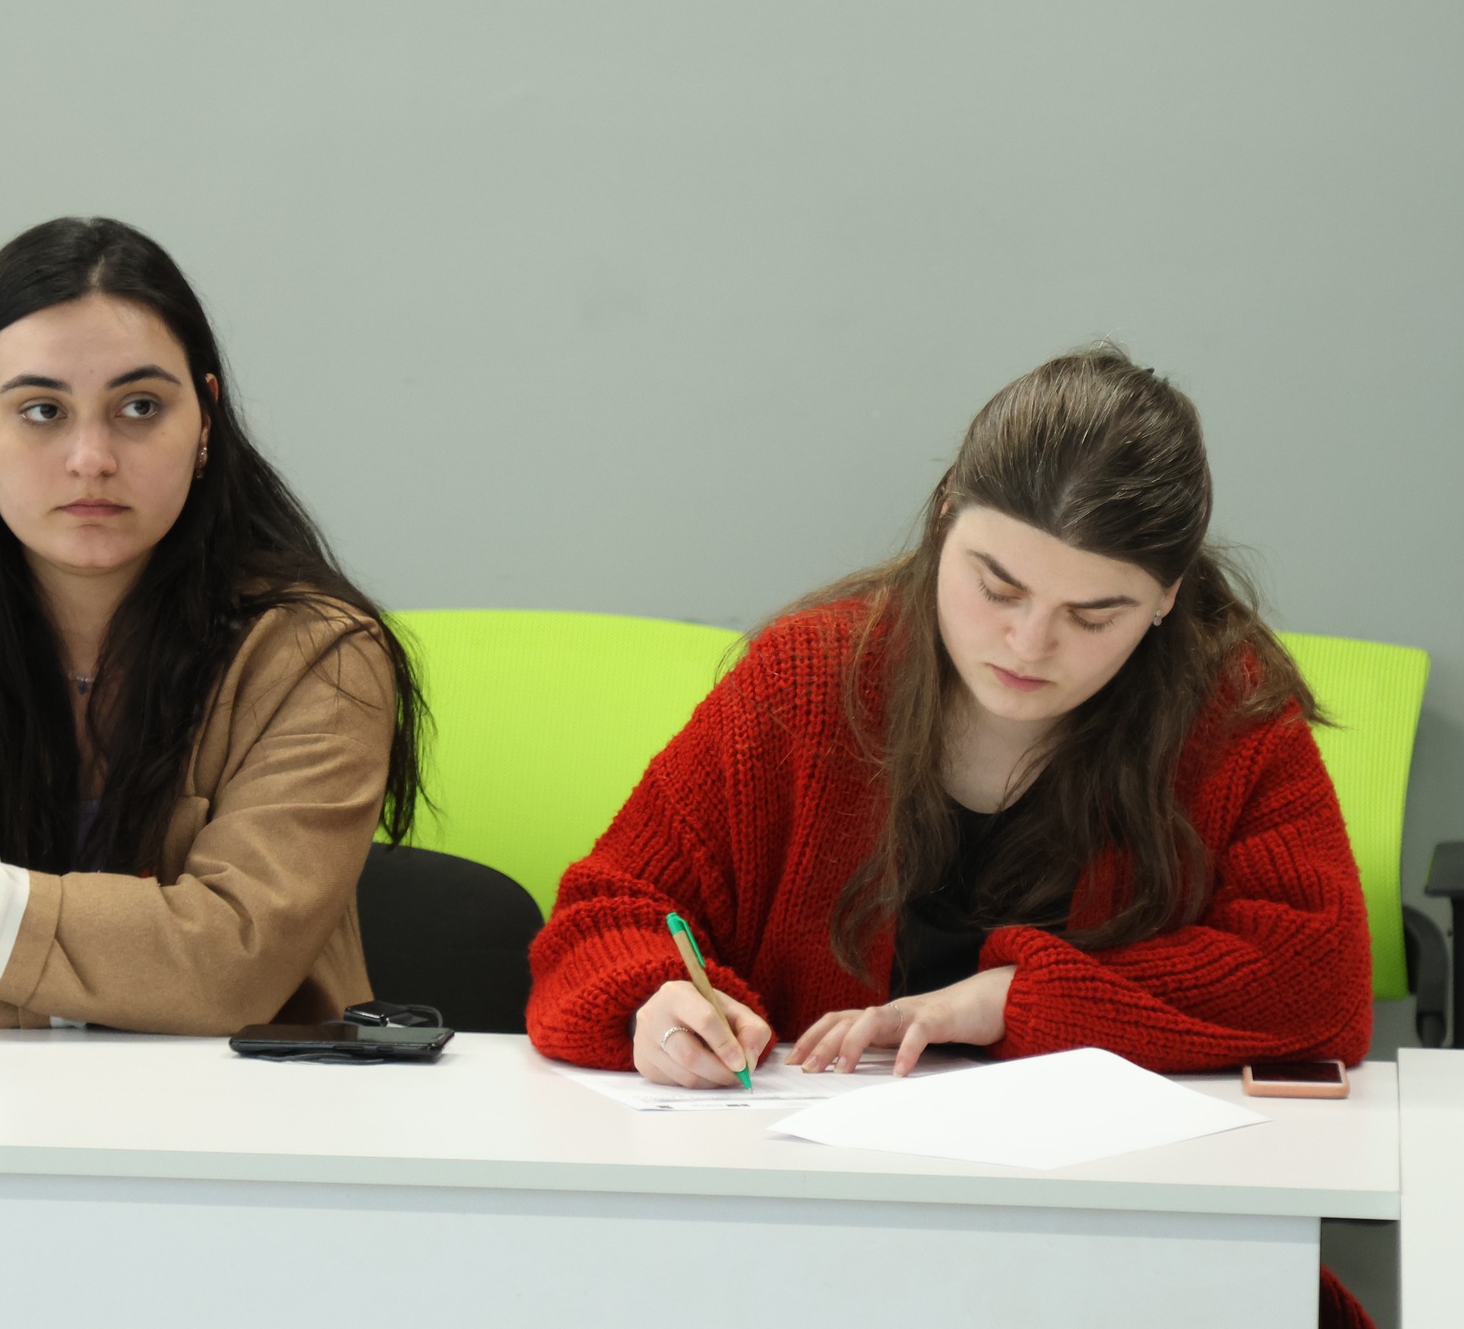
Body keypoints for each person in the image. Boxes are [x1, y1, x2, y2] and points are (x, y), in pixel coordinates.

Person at [528, 346, 1376, 1325]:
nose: (1028, 643)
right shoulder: (809, 681)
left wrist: (1011, 999)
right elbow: (603, 916)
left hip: (1127, 1254)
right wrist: (656, 999)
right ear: (943, 521)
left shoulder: (1224, 716)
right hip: (817, 1253)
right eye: (996, 586)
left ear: (1167, 597)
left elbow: (1318, 982)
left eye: (1093, 614)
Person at [0, 217, 422, 1033]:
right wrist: (142, 979)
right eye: (42, 410)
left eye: (140, 406)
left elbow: (230, 970)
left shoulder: (317, 653)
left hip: (235, 1104)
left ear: (206, 419)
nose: (91, 458)